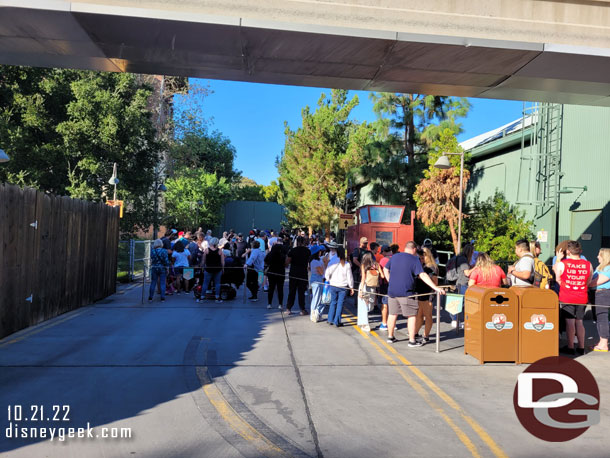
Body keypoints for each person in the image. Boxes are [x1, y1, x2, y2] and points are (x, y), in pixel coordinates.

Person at [383, 241, 445, 346]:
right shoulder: (414, 259)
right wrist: (436, 288)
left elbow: (385, 269)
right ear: (414, 249)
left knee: (392, 314)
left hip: (392, 291)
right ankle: (412, 340)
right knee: (411, 315)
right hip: (406, 292)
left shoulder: (395, 256)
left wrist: (390, 281)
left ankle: (390, 336)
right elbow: (422, 275)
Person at [553, 240, 592, 355]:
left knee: (570, 322)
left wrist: (559, 258)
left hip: (567, 296)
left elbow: (557, 278)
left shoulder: (562, 263)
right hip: (582, 296)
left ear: (568, 252)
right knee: (579, 322)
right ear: (580, 251)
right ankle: (581, 347)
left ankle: (570, 347)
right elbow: (588, 281)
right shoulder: (588, 264)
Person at [415, 247, 439, 343]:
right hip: (419, 292)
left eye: (422, 256)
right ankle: (415, 332)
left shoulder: (432, 267)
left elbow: (435, 282)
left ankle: (426, 335)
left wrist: (432, 294)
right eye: (419, 257)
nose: (421, 258)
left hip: (428, 293)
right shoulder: (420, 265)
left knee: (428, 315)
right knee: (419, 314)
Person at [326, 247, 354, 326]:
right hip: (343, 286)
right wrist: (351, 287)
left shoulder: (332, 261)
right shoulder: (346, 264)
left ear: (337, 252)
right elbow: (349, 277)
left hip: (333, 285)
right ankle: (337, 321)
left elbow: (327, 273)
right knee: (340, 304)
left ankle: (330, 319)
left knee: (333, 302)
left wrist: (328, 279)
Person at [589, 248, 610, 352]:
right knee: (598, 318)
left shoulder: (608, 269)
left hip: (603, 294)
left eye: (599, 255)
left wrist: (584, 284)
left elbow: (595, 282)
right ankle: (601, 341)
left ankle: (604, 343)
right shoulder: (600, 267)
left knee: (602, 318)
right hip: (597, 294)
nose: (597, 257)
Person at [285, 236, 310, 315]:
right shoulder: (308, 251)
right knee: (301, 292)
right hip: (303, 273)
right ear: (303, 242)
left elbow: (287, 262)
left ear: (297, 242)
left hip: (293, 273)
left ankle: (288, 309)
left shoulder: (292, 251)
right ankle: (302, 309)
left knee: (292, 291)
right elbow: (309, 263)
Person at [451, 243, 474, 328]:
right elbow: (467, 273)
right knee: (462, 303)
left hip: (458, 282)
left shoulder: (459, 257)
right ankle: (456, 320)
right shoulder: (463, 260)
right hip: (462, 283)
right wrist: (476, 267)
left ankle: (455, 320)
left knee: (457, 302)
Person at [357, 252, 380, 333]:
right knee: (369, 306)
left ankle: (365, 325)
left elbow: (363, 279)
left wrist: (360, 291)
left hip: (365, 286)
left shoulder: (363, 265)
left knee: (363, 306)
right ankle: (364, 323)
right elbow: (382, 275)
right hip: (373, 287)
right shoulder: (376, 265)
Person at [198, 237, 225, 303]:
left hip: (208, 269)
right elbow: (222, 261)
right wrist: (223, 268)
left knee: (205, 283)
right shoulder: (220, 251)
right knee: (217, 284)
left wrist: (202, 267)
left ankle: (202, 297)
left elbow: (203, 260)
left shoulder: (207, 250)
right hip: (217, 269)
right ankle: (217, 297)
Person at [265, 243, 286, 310]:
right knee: (280, 289)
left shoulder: (269, 255)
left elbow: (266, 261)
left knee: (271, 288)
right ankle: (280, 304)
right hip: (280, 273)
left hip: (271, 273)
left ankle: (269, 304)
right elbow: (285, 264)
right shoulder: (282, 256)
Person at [377, 245, 393, 331]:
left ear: (384, 252)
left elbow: (382, 272)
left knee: (385, 304)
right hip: (396, 284)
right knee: (393, 304)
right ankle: (392, 323)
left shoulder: (383, 260)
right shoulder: (395, 258)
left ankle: (384, 323)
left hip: (386, 284)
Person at [309, 245, 326, 322]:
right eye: (319, 251)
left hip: (319, 280)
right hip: (317, 281)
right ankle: (313, 314)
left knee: (322, 299)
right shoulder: (314, 261)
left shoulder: (318, 260)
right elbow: (321, 271)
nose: (321, 252)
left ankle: (318, 314)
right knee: (316, 298)